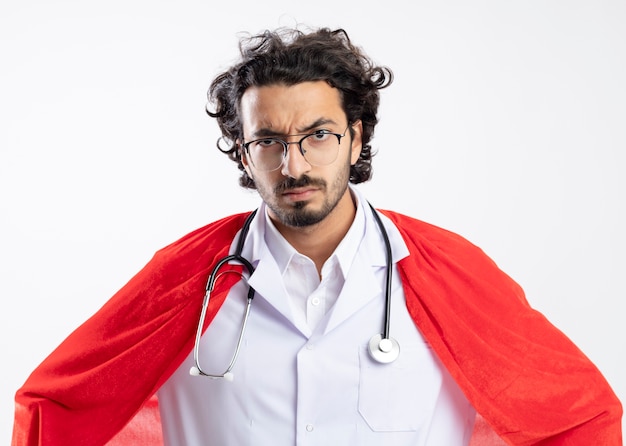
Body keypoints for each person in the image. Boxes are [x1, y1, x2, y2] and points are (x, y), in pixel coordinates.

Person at [12, 26, 622, 446]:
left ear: (357, 138)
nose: (295, 165)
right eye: (269, 141)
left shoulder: (448, 275)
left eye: (319, 135)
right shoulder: (182, 283)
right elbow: (53, 409)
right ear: (244, 156)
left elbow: (580, 416)